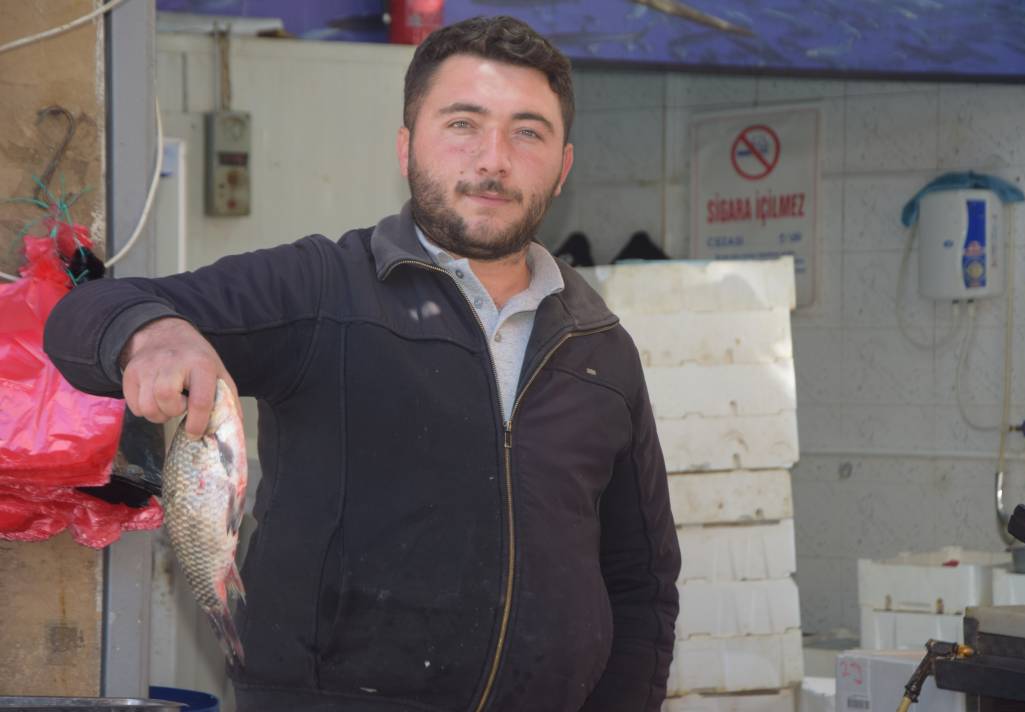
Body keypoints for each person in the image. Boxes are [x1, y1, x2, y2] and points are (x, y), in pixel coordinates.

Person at [44, 15, 680, 712]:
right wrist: (153, 333)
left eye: (528, 132)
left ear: (562, 168)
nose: (493, 159)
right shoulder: (320, 290)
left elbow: (640, 578)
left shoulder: (598, 347)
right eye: (463, 123)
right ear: (406, 148)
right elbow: (80, 319)